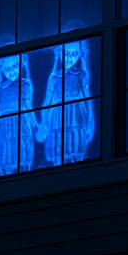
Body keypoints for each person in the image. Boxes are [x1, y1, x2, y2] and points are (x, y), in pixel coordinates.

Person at [37, 38, 96, 167]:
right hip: (58, 116)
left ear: (80, 54)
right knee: (58, 149)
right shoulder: (54, 77)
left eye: (74, 54)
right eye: (66, 54)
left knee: (76, 147)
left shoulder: (81, 74)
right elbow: (47, 102)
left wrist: (90, 122)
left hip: (77, 115)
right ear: (60, 53)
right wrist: (44, 123)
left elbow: (87, 100)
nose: (70, 58)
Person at [0, 50, 38, 177]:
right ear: (2, 70)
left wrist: (35, 125)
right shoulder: (0, 89)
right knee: (5, 157)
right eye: (8, 69)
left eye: (15, 66)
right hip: (4, 127)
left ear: (21, 65)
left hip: (21, 125)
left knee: (23, 154)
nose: (12, 71)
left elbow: (28, 106)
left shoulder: (25, 85)